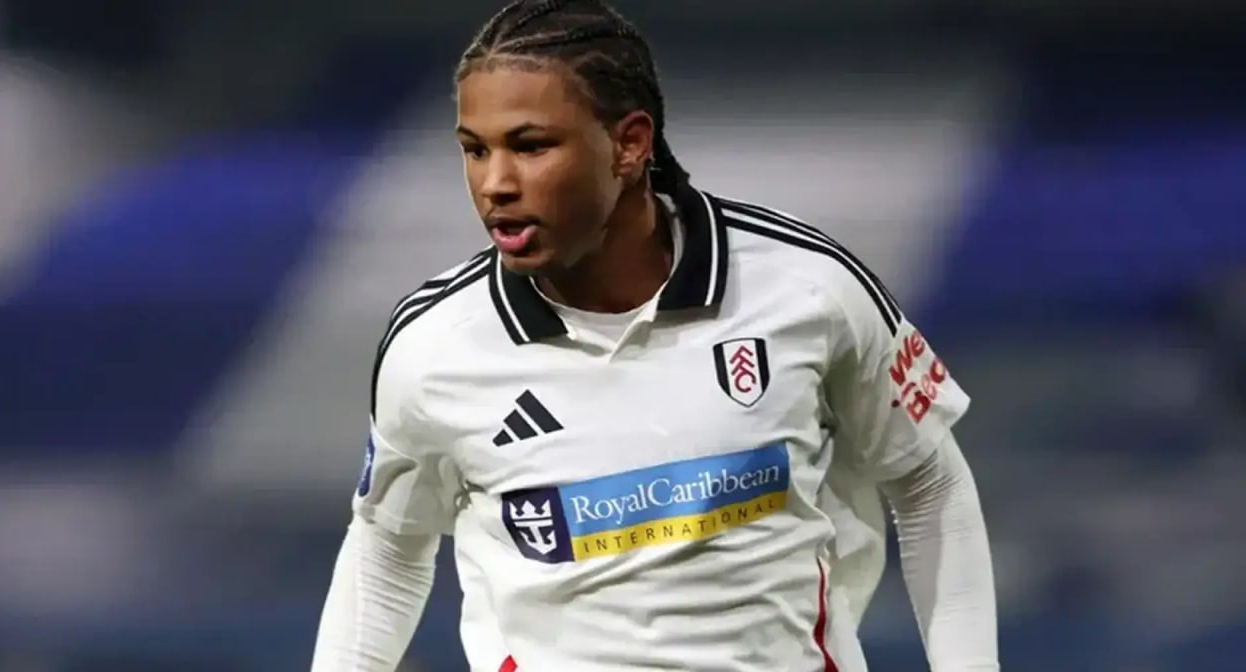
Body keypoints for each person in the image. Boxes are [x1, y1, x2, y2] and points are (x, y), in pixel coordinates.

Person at [311, 1, 1000, 670]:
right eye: (474, 150)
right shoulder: (434, 345)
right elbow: (386, 548)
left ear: (630, 144)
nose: (495, 184)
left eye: (530, 146)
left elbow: (928, 484)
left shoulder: (806, 287)